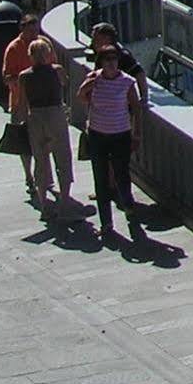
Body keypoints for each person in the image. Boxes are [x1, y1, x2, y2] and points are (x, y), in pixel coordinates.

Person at [76, 40, 144, 241]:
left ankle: (129, 206)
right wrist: (88, 86)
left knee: (122, 174)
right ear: (101, 62)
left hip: (121, 134)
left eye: (114, 60)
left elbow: (136, 108)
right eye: (107, 60)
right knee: (100, 178)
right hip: (98, 134)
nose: (111, 64)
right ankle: (106, 223)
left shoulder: (127, 82)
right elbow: (81, 96)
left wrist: (137, 134)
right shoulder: (94, 79)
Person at [11, 38, 75, 218]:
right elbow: (65, 83)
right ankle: (64, 202)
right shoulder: (57, 71)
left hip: (36, 117)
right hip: (55, 114)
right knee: (62, 157)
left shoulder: (24, 76)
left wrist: (21, 122)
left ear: (30, 56)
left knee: (40, 158)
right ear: (48, 54)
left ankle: (44, 205)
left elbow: (22, 103)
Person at [0, 12, 40, 195]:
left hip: (41, 101)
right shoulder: (13, 48)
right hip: (20, 102)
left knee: (42, 140)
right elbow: (7, 77)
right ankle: (28, 176)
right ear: (22, 30)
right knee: (24, 142)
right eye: (31, 31)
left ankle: (42, 176)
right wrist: (24, 78)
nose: (34, 35)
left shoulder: (42, 45)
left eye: (36, 31)